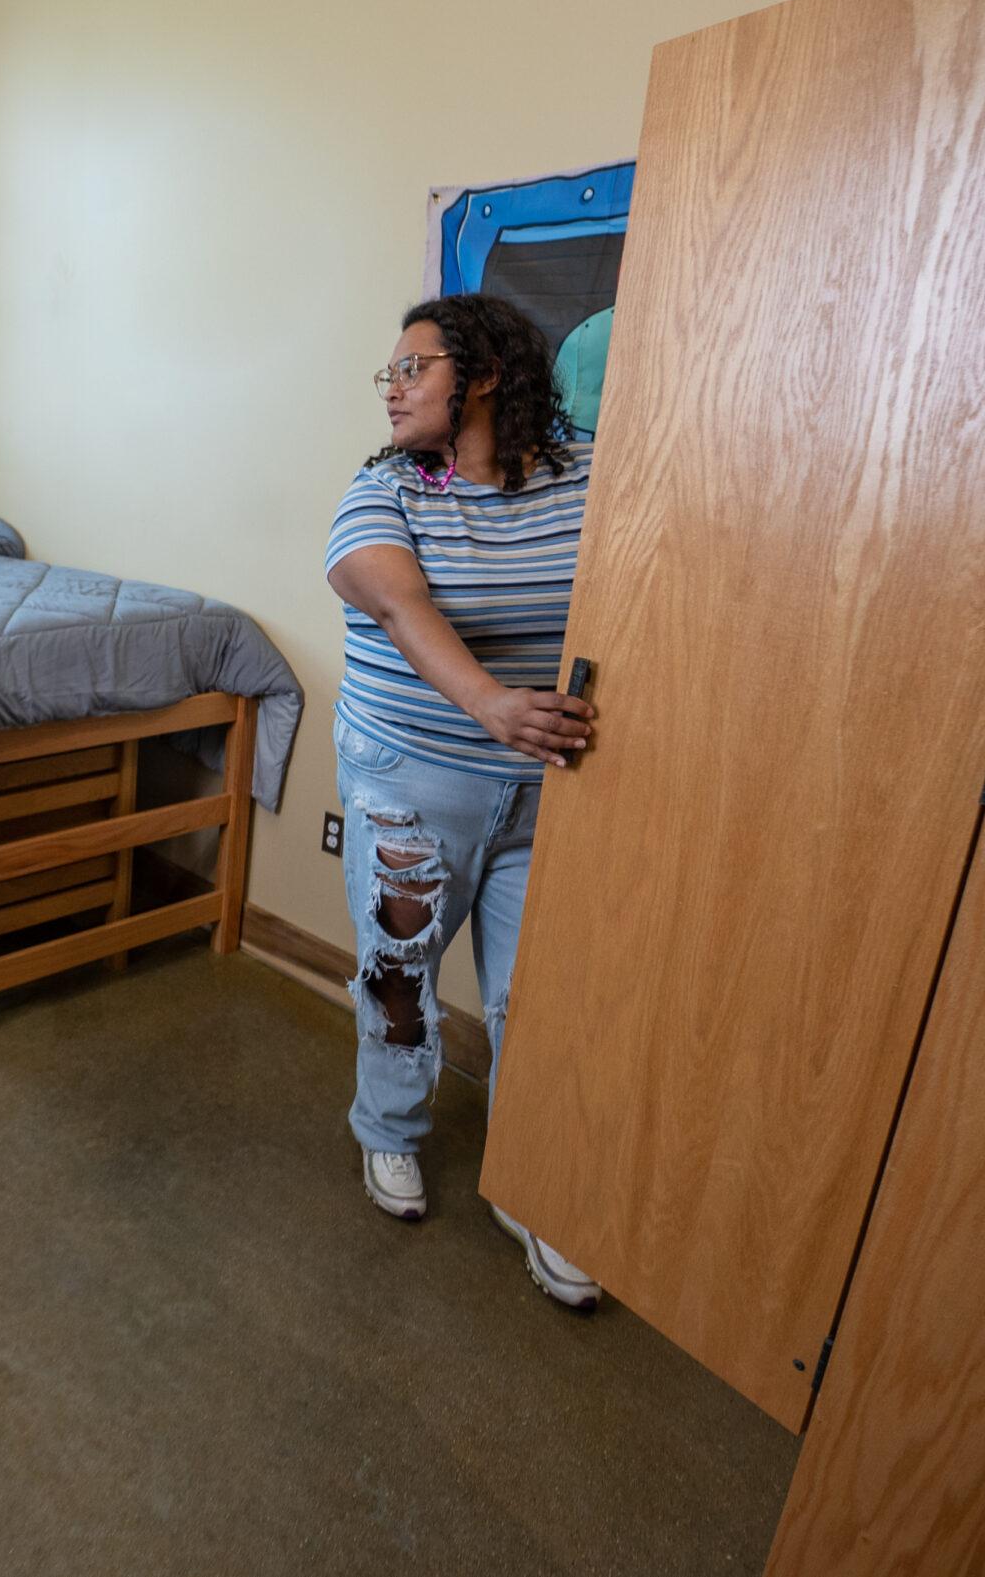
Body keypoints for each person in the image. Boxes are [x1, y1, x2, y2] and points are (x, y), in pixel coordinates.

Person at [322, 293, 600, 1308]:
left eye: (412, 368)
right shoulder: (386, 489)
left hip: (546, 791)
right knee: (400, 973)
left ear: (480, 376)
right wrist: (489, 703)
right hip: (410, 775)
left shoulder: (580, 479)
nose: (392, 389)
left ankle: (529, 1182)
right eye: (389, 374)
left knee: (535, 995)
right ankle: (389, 1135)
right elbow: (395, 599)